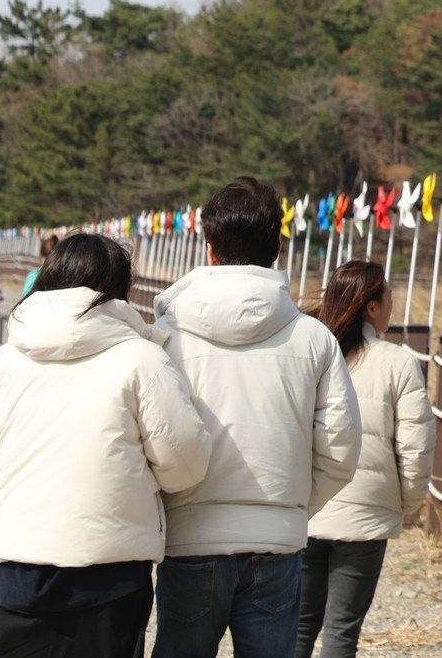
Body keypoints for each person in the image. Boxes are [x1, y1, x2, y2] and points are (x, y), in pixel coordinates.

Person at [0, 234, 212, 658]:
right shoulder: (143, 360)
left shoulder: (5, 359)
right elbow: (184, 462)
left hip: (16, 568)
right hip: (109, 572)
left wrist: (13, 512)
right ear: (119, 290)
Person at [151, 177, 360, 658]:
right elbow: (341, 450)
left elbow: (150, 439)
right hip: (276, 544)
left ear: (209, 248)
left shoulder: (166, 336)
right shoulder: (313, 339)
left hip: (188, 539)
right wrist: (293, 505)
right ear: (278, 247)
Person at [297, 260, 435, 658]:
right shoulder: (398, 361)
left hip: (305, 506)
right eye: (388, 296)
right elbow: (416, 445)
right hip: (366, 516)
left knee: (298, 627)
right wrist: (405, 504)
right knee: (341, 632)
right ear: (372, 307)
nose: (393, 304)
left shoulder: (308, 352)